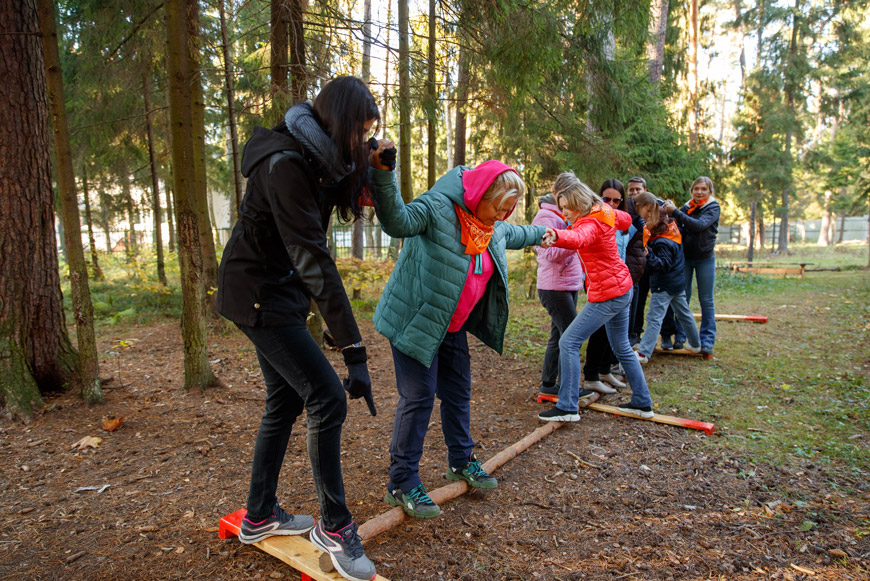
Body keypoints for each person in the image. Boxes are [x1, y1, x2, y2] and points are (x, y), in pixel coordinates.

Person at [216, 76, 378, 581]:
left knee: (284, 400)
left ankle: (260, 514)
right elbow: (313, 259)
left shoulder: (314, 155)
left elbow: (334, 196)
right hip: (258, 295)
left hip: (274, 292)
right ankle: (335, 527)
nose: (361, 141)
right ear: (338, 123)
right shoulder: (286, 163)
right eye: (359, 131)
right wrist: (353, 349)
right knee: (326, 398)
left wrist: (371, 162)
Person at [369, 158, 547, 519]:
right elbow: (397, 221)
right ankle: (401, 481)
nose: (503, 215)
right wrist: (383, 175)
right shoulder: (438, 207)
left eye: (509, 208)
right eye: (499, 207)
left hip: (451, 326)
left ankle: (461, 461)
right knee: (419, 397)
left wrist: (547, 233)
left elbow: (518, 234)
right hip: (415, 321)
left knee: (457, 393)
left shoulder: (491, 227)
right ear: (480, 195)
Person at [538, 172, 655, 422]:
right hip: (622, 286)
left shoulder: (589, 222)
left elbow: (579, 238)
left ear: (578, 203)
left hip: (608, 293)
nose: (564, 214)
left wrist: (557, 235)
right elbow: (625, 220)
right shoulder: (604, 211)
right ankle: (642, 402)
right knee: (622, 346)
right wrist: (615, 216)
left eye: (566, 208)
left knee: (568, 342)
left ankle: (568, 407)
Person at [632, 193, 701, 363]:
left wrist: (648, 255)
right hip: (677, 282)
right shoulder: (672, 232)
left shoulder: (662, 241)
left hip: (664, 285)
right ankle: (695, 344)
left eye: (648, 218)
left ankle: (643, 353)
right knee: (684, 314)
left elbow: (662, 265)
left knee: (654, 318)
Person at [532, 188, 583, 398]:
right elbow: (550, 253)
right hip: (554, 287)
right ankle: (567, 388)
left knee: (560, 334)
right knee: (572, 336)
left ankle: (548, 384)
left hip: (567, 284)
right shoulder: (545, 217)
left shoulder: (564, 216)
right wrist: (575, 239)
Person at [663, 176, 720, 355]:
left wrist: (676, 211)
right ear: (692, 190)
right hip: (686, 259)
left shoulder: (712, 207)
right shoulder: (687, 207)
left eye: (703, 189)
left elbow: (699, 225)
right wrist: (671, 212)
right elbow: (677, 225)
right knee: (682, 298)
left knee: (706, 300)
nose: (699, 192)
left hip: (705, 259)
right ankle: (681, 337)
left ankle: (707, 341)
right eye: (696, 189)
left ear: (709, 191)